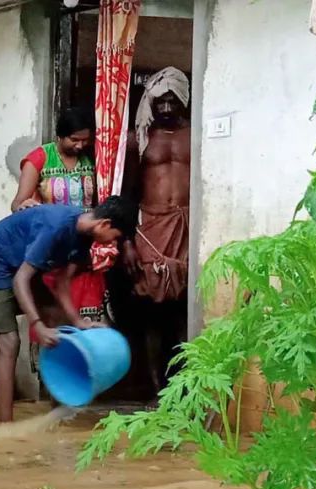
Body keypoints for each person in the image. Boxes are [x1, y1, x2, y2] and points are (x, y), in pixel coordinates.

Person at [0, 197, 138, 423]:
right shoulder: (55, 226)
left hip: (20, 264)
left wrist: (79, 322)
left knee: (58, 319)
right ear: (105, 225)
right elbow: (21, 280)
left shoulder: (84, 237)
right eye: (116, 239)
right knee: (9, 342)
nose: (113, 244)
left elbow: (62, 283)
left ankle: (60, 406)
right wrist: (37, 325)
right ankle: (5, 425)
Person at [11, 107, 115, 327]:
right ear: (60, 136)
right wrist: (25, 206)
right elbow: (17, 203)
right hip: (51, 251)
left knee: (90, 321)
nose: (80, 145)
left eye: (85, 140)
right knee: (54, 323)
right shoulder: (39, 159)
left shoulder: (93, 158)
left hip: (82, 252)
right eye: (74, 140)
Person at [123, 66, 191, 394]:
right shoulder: (140, 139)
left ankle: (185, 385)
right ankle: (154, 386)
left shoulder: (197, 133)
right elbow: (127, 192)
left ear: (183, 99)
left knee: (183, 308)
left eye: (171, 101)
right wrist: (127, 240)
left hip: (187, 227)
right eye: (159, 102)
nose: (165, 108)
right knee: (151, 308)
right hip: (150, 227)